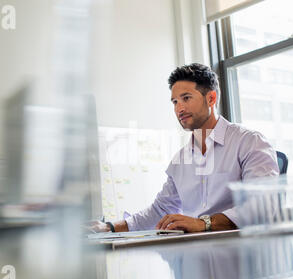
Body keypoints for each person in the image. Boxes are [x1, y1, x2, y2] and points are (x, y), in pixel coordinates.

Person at [90, 63, 279, 233]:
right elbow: (160, 210)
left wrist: (204, 223)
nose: (179, 108)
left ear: (211, 98)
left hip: (241, 256)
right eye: (175, 102)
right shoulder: (181, 160)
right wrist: (109, 227)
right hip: (194, 256)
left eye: (186, 98)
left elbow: (263, 204)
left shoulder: (249, 142)